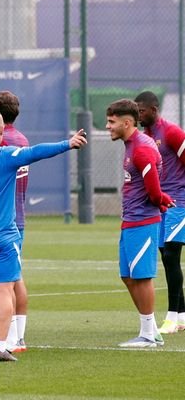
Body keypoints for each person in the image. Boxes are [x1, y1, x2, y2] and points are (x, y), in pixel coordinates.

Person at [0, 110, 86, 362]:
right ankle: (0, 347)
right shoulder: (4, 155)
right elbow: (35, 152)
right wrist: (67, 143)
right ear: (2, 131)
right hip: (4, 237)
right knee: (4, 290)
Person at [106, 99, 174, 348]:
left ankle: (147, 335)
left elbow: (155, 191)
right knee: (127, 276)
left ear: (127, 122)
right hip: (131, 221)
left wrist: (163, 200)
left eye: (112, 122)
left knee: (142, 277)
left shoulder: (142, 148)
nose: (108, 126)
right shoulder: (132, 144)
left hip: (143, 221)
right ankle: (152, 329)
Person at [135, 91, 185, 334]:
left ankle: (172, 318)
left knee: (171, 256)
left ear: (154, 110)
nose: (138, 115)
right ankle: (183, 315)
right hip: (161, 204)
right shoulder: (146, 136)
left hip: (179, 202)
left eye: (141, 111)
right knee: (167, 255)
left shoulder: (172, 133)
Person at [0, 91, 30, 353]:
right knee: (14, 277)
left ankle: (11, 338)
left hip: (2, 221)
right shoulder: (21, 138)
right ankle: (17, 337)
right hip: (17, 216)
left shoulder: (3, 143)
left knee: (3, 280)